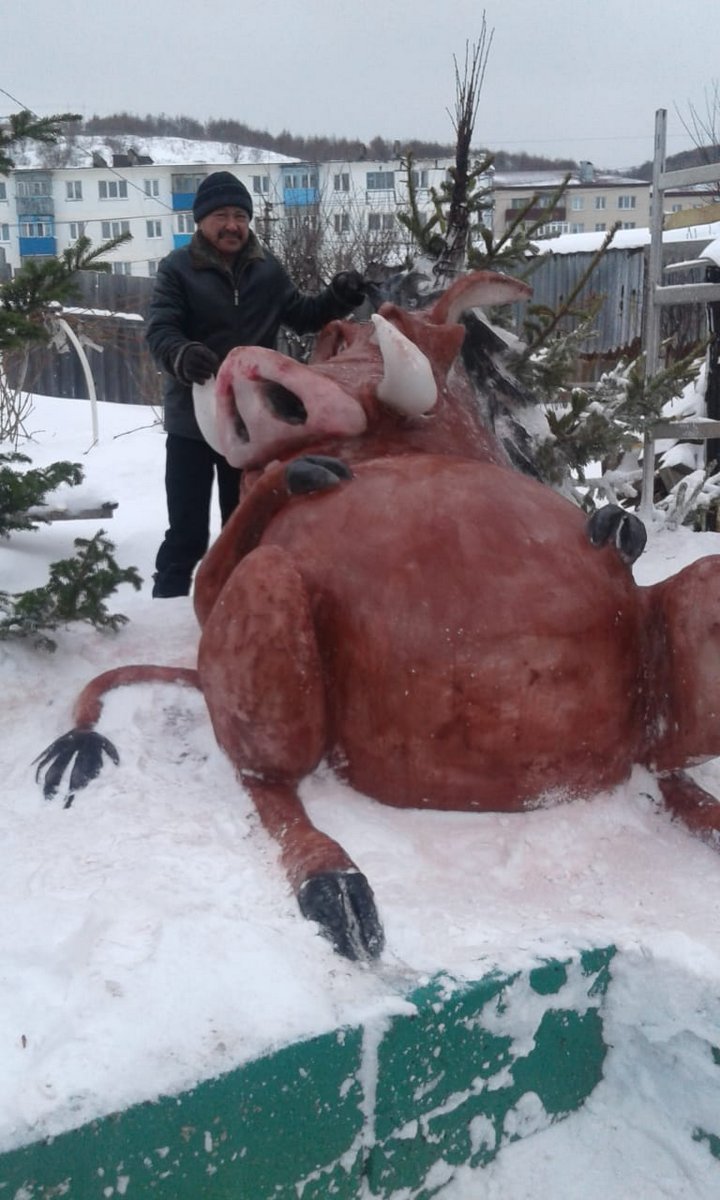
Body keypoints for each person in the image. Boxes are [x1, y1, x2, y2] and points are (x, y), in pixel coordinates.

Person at [145, 170, 366, 598]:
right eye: (222, 215)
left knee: (244, 523)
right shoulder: (177, 270)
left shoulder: (267, 270)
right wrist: (182, 354)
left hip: (251, 423)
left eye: (240, 216)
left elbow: (302, 315)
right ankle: (165, 609)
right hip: (194, 423)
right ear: (201, 221)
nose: (232, 225)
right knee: (186, 532)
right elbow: (160, 330)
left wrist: (339, 297)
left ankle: (238, 609)